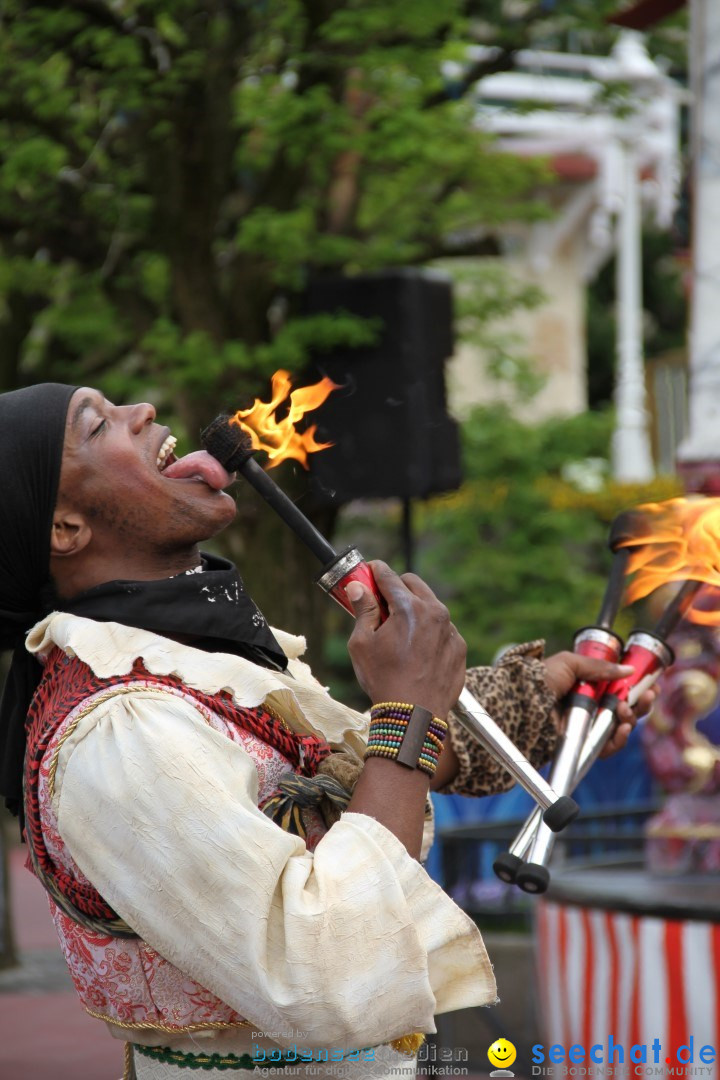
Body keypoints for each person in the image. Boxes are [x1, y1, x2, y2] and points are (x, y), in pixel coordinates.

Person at [0, 384, 645, 1080]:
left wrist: (534, 698)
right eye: (100, 427)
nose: (144, 412)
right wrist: (407, 710)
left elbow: (341, 792)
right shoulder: (118, 736)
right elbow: (332, 974)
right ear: (64, 529)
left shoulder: (184, 666)